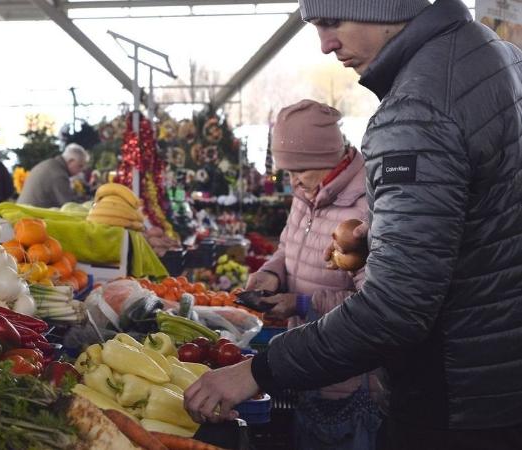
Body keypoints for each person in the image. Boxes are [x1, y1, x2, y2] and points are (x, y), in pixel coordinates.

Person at [184, 1, 522, 448]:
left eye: (331, 21)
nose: (326, 45)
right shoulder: (494, 56)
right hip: (496, 381)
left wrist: (257, 370)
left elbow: (397, 308)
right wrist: (385, 244)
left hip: (453, 396)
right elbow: (489, 226)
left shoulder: (418, 107)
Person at [247, 100, 381, 449]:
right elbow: (288, 247)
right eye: (288, 173)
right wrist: (271, 275)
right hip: (308, 365)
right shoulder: (308, 193)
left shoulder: (366, 207)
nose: (293, 183)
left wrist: (303, 303)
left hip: (351, 381)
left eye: (300, 173)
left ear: (329, 159)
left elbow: (378, 304)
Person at [16, 143, 89, 208]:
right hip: (28, 219)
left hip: (22, 212)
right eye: (80, 166)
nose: (81, 170)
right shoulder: (59, 174)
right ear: (71, 161)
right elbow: (70, 207)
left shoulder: (51, 164)